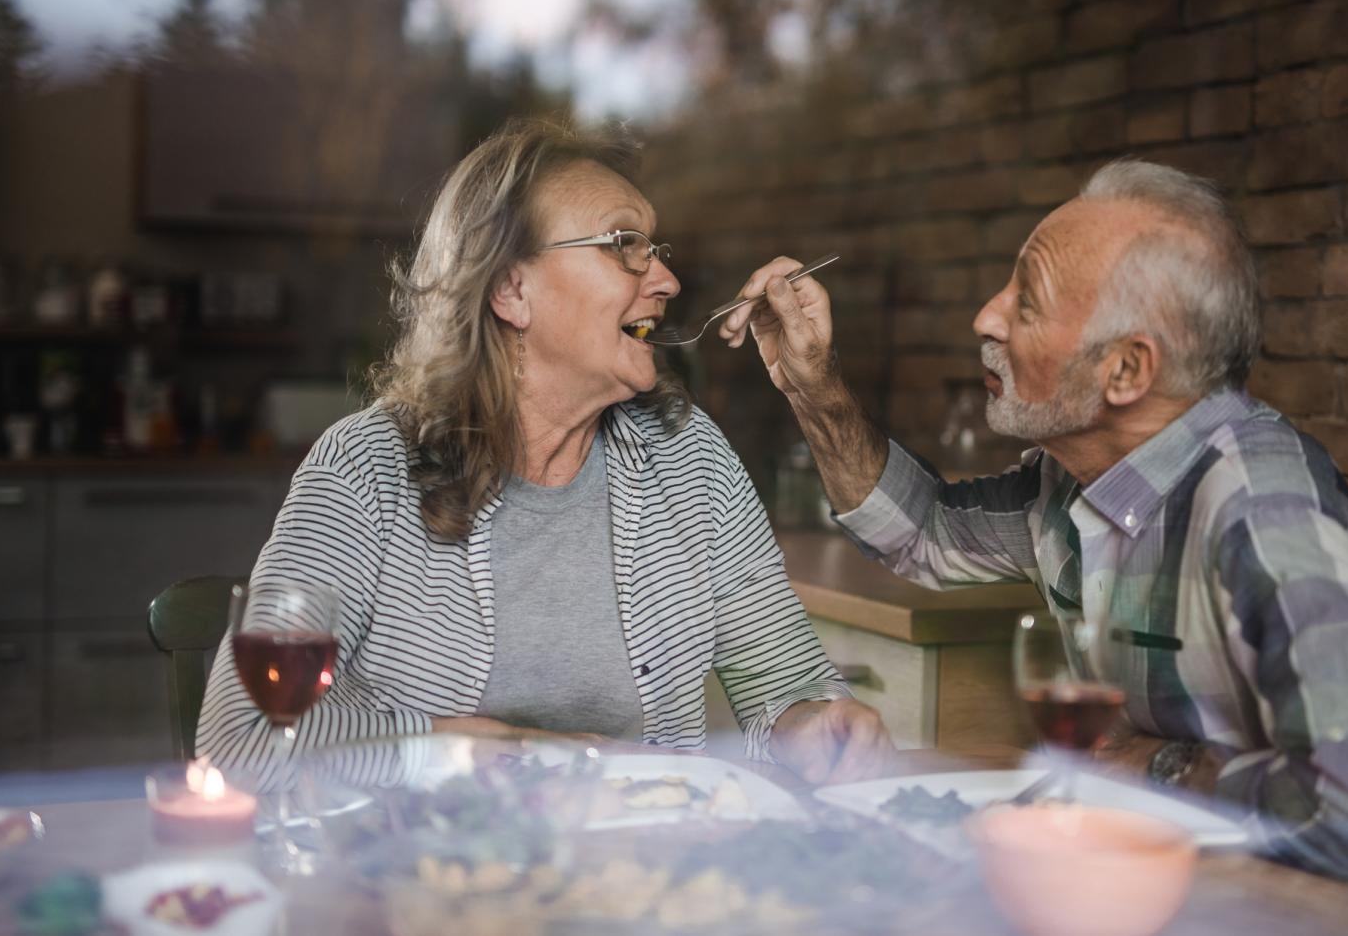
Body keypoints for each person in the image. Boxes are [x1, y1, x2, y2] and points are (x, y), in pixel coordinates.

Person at [719, 159, 1348, 885]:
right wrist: (814, 382)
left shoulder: (1261, 505)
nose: (986, 316)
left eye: (1026, 301)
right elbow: (922, 531)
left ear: (1127, 371)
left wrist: (1159, 766)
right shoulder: (1069, 484)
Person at [197, 118, 891, 786]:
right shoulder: (364, 468)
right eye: (624, 243)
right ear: (510, 288)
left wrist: (817, 726)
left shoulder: (690, 458)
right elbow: (243, 735)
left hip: (639, 879)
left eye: (655, 249)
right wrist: (479, 752)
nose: (666, 281)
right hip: (419, 883)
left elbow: (787, 684)